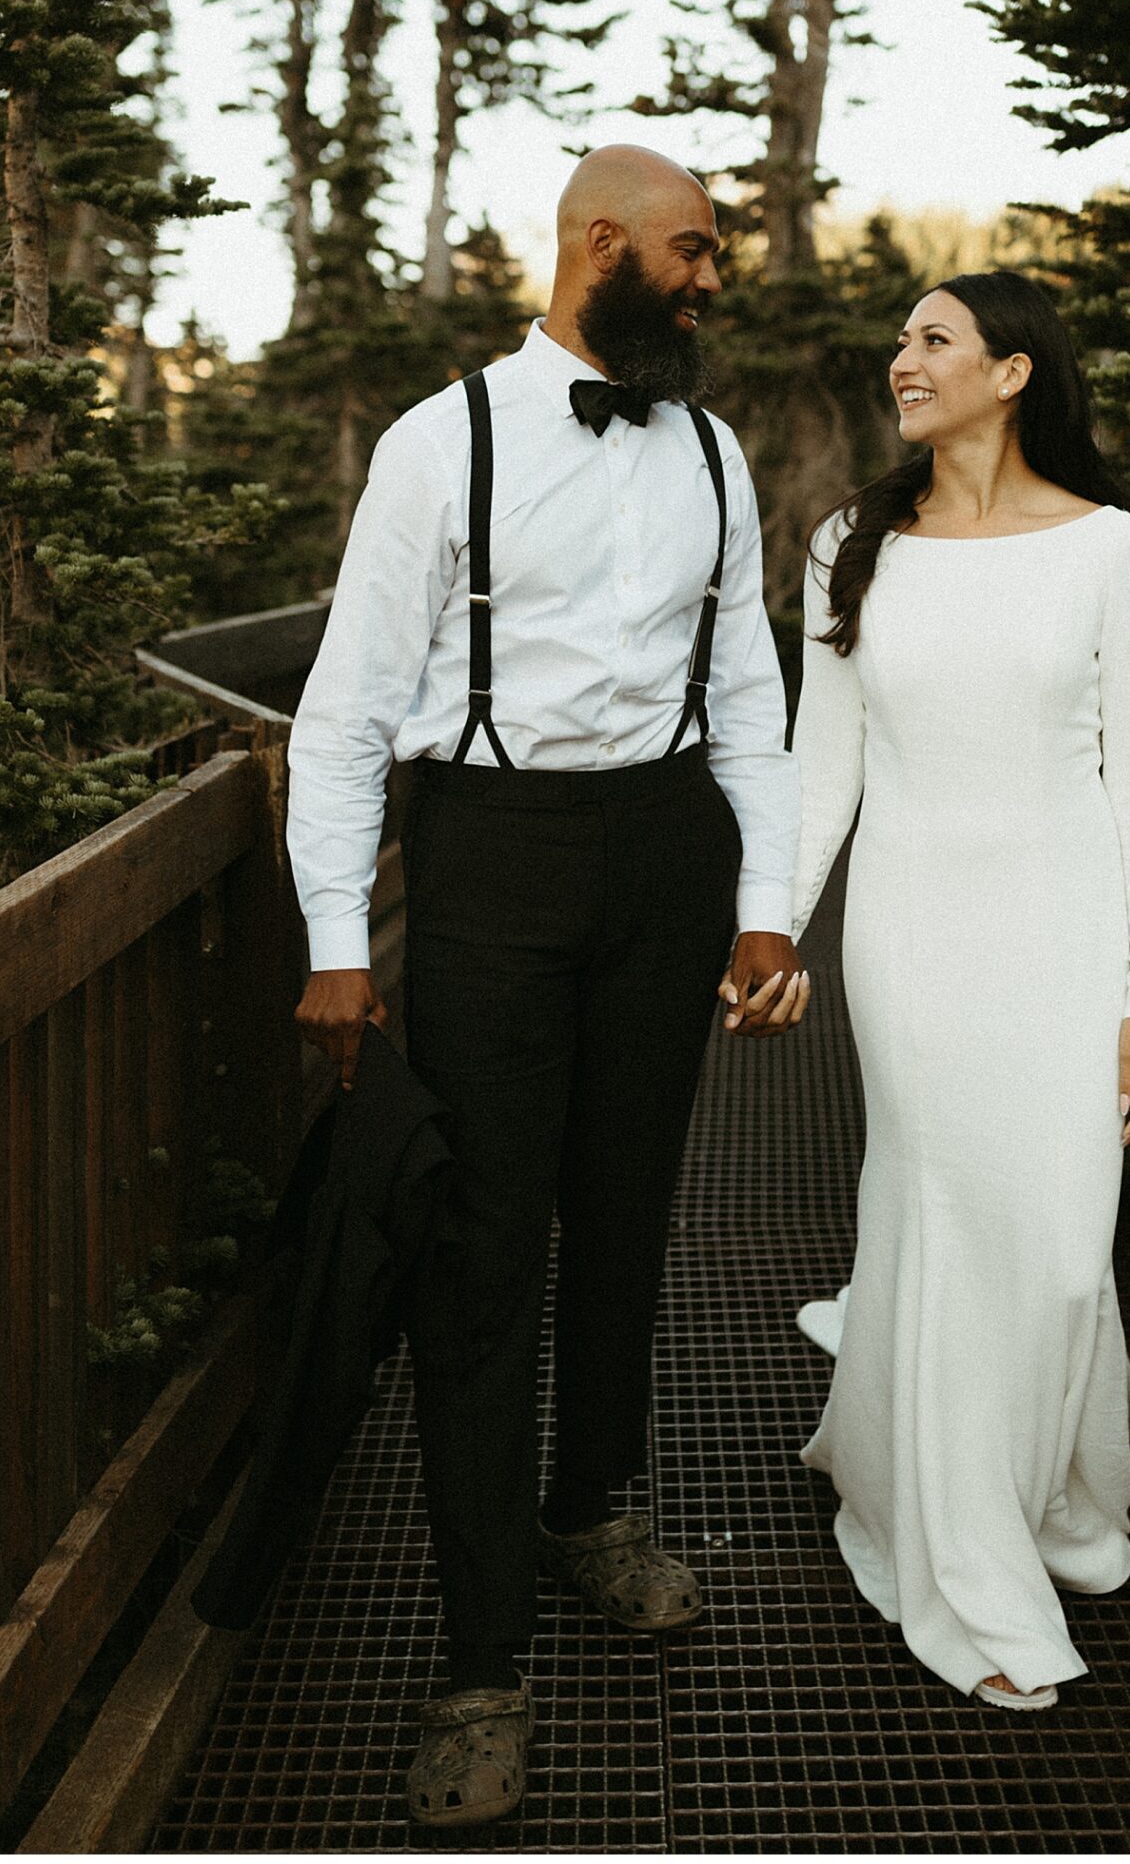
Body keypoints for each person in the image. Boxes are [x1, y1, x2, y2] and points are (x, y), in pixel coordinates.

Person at [286, 144, 809, 1828]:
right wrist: (338, 943)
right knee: (483, 1247)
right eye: (692, 251)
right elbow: (349, 712)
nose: (711, 279)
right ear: (601, 244)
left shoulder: (717, 454)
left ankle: (595, 1509)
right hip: (496, 862)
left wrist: (767, 905)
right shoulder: (442, 444)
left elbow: (747, 695)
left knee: (628, 1209)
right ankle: (479, 1659)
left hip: (664, 863)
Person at [778, 269, 1130, 1713]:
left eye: (932, 339)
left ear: (1011, 373)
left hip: (1065, 927)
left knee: (1065, 1237)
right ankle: (971, 1572)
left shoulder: (1107, 551)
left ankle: (1056, 1480)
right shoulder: (853, 542)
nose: (902, 359)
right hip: (911, 933)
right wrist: (771, 927)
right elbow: (822, 769)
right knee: (948, 1217)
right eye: (898, 339)